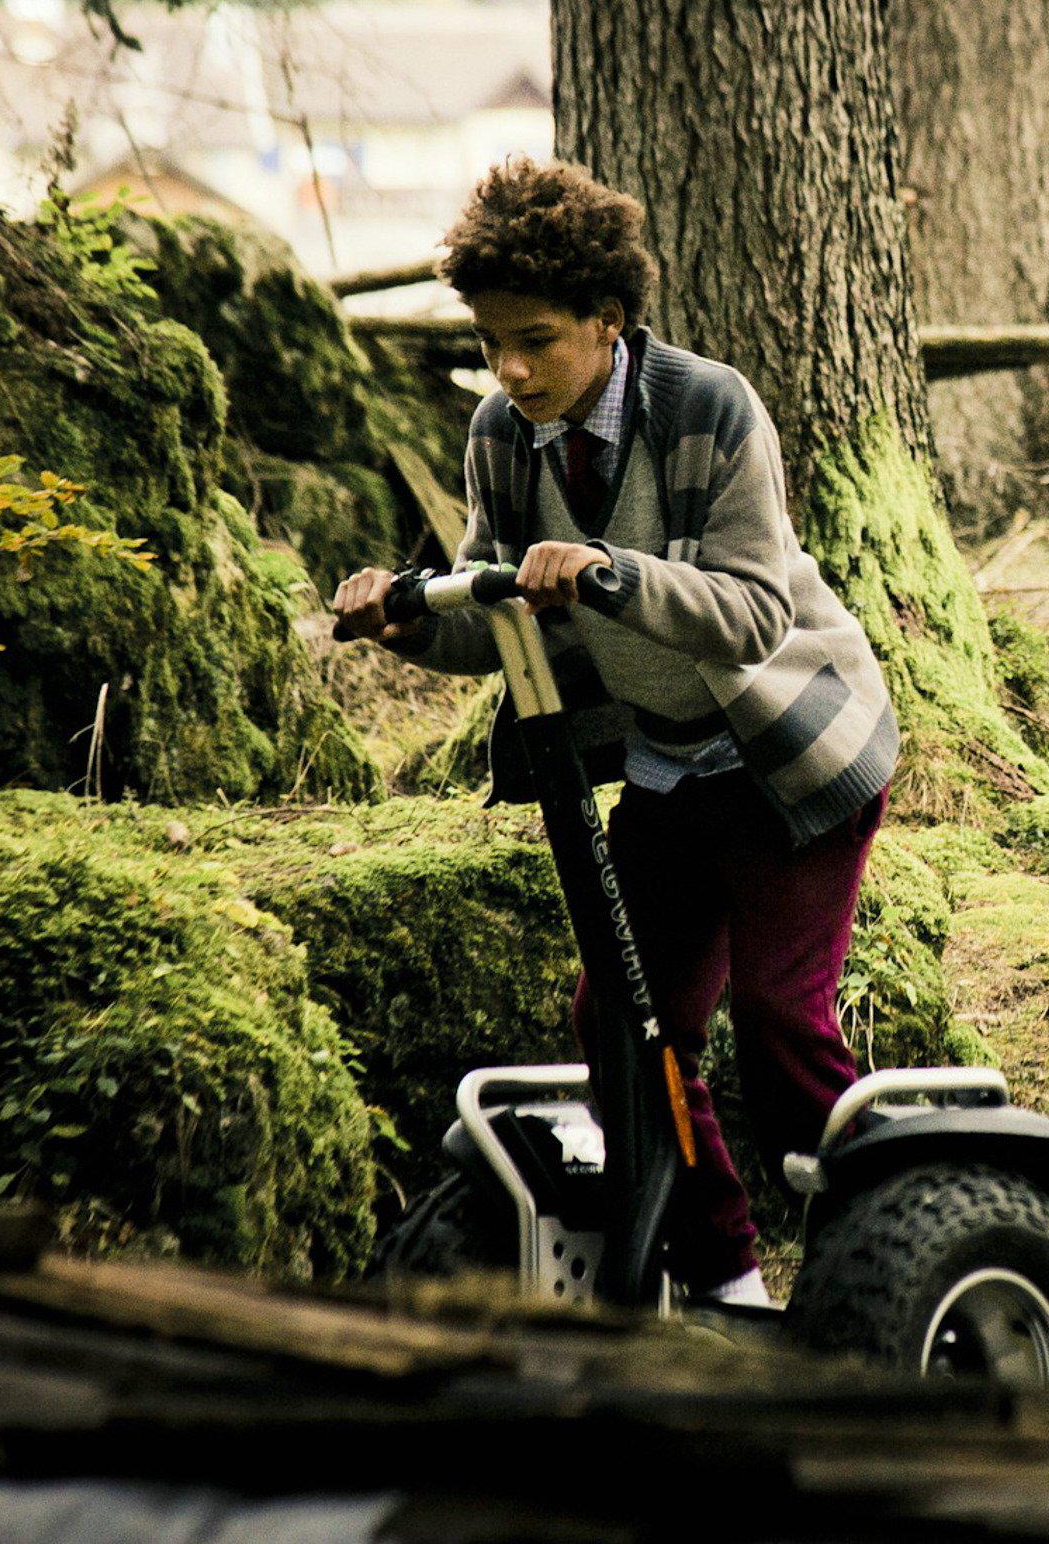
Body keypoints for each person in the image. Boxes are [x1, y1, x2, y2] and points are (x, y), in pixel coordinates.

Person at [333, 157, 896, 1306]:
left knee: (783, 1021)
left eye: (536, 339)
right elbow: (498, 615)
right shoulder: (502, 431)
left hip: (789, 752)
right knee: (628, 1019)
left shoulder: (706, 407)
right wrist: (405, 617)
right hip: (670, 767)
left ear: (611, 321)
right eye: (492, 342)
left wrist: (609, 573)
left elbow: (752, 612)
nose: (510, 368)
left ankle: (892, 1246)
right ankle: (724, 1272)